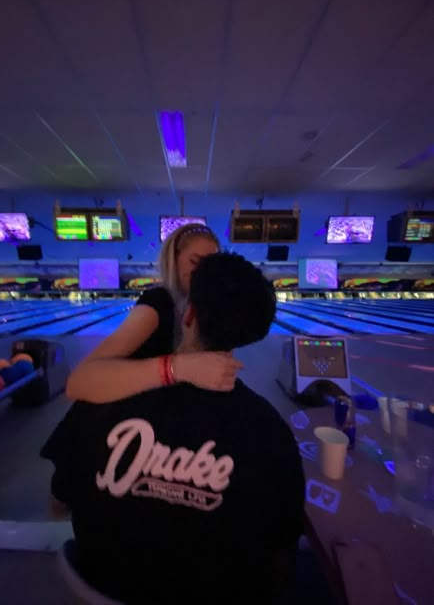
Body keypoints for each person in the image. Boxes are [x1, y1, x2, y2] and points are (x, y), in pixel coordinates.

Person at [43, 253, 305, 605]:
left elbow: (59, 503)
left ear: (189, 313)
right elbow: (283, 544)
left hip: (100, 588)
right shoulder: (271, 431)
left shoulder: (101, 399)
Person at [66, 223, 243, 402]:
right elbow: (79, 382)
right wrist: (176, 368)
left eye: (210, 265)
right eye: (194, 262)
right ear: (173, 260)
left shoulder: (205, 307)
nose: (203, 273)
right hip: (137, 418)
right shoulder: (158, 301)